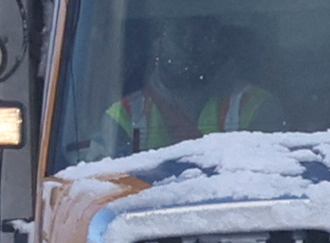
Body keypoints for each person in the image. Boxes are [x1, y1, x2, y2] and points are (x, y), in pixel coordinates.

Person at [95, 15, 283, 155]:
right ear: (157, 44)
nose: (189, 44)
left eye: (202, 33)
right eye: (180, 32)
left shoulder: (256, 105)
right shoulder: (124, 116)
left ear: (220, 44)